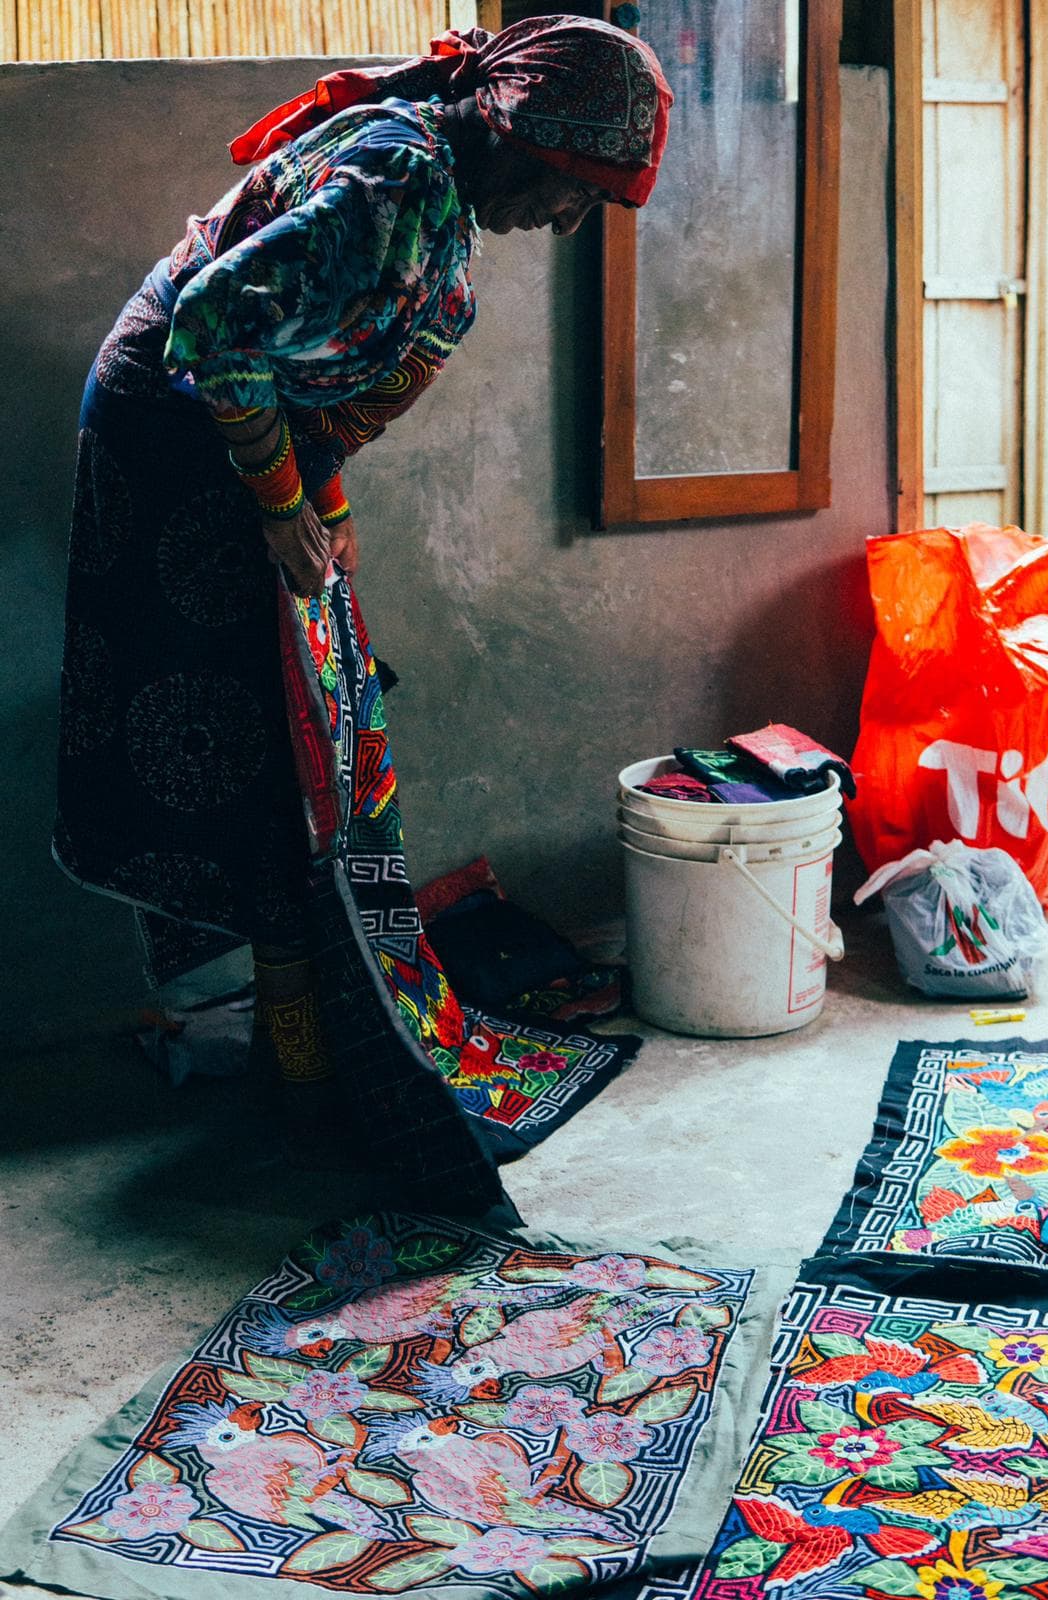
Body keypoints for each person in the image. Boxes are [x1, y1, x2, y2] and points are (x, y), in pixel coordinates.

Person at [55, 15, 672, 1217]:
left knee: (310, 713)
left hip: (242, 435)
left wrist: (320, 508)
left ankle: (306, 1051)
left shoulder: (435, 187)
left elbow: (298, 373)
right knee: (260, 734)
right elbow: (211, 331)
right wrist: (282, 502)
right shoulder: (393, 181)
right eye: (578, 192)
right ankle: (298, 1085)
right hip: (177, 438)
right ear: (527, 140)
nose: (568, 220)